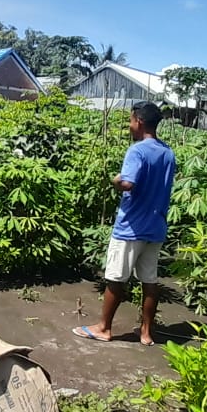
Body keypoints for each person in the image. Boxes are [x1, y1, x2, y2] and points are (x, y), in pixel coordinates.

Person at [74, 101, 176, 346]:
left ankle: (104, 328)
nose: (129, 126)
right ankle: (146, 333)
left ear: (139, 121)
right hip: (156, 226)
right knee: (149, 281)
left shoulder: (137, 151)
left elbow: (128, 183)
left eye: (130, 121)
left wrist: (115, 181)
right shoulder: (167, 152)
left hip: (131, 227)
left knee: (116, 278)